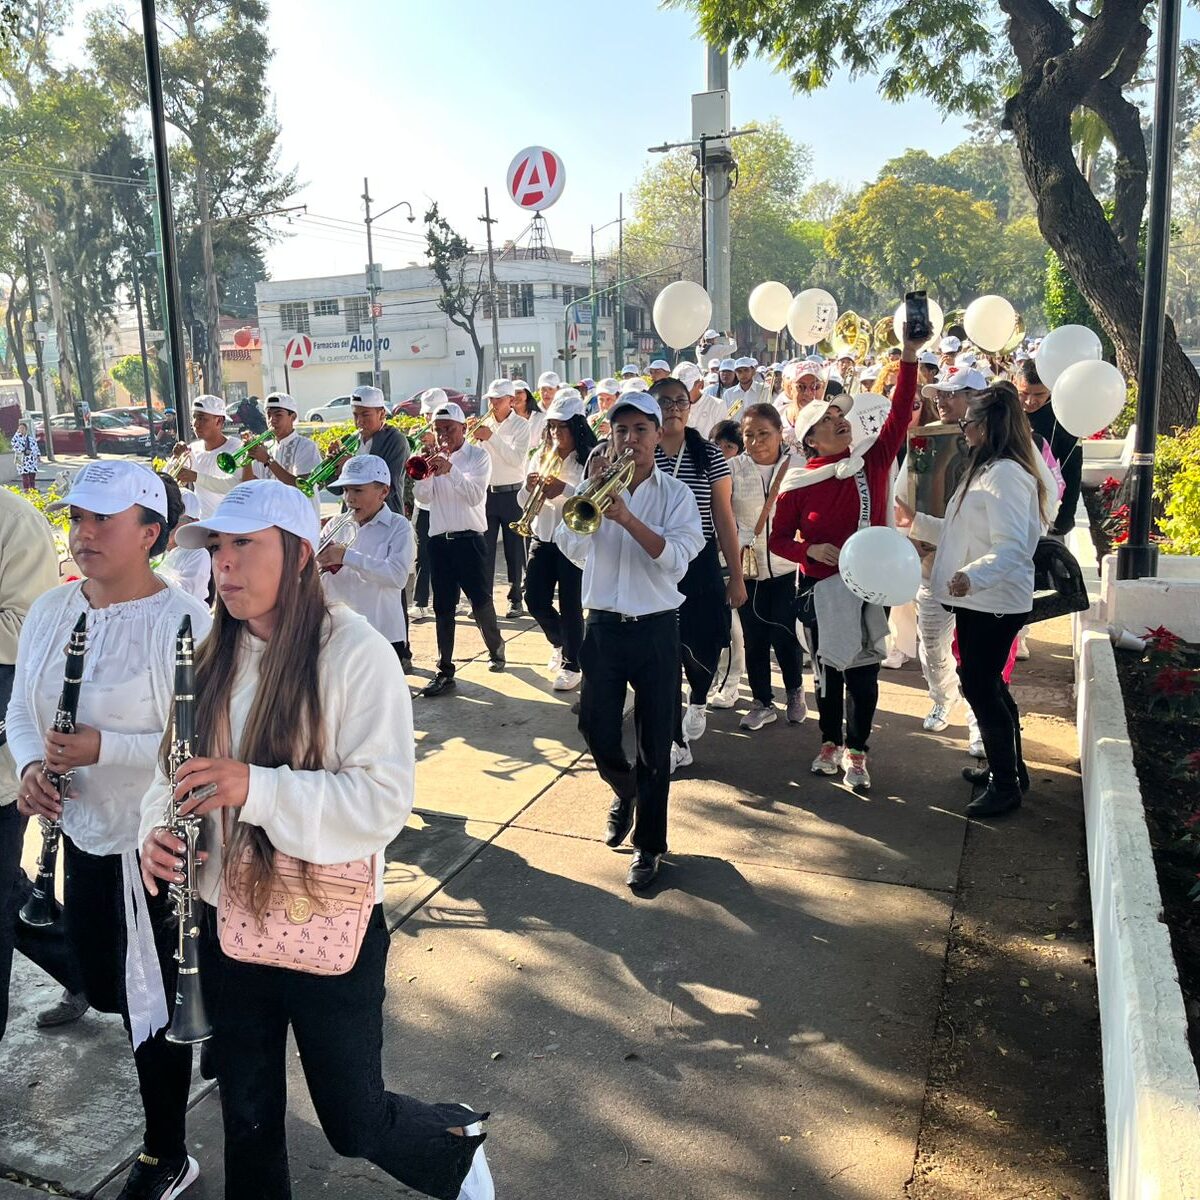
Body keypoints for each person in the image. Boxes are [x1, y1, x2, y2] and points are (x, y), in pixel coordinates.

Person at [139, 480, 493, 1200]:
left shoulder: (355, 653)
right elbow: (170, 769)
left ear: (299, 555)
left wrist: (255, 788)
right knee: (248, 1117)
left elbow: (383, 801)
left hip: (324, 924)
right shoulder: (208, 653)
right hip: (226, 924)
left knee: (352, 1124)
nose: (225, 564)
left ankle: (450, 1144)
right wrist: (156, 829)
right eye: (217, 546)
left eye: (245, 544)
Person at [8, 461, 211, 1198]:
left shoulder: (187, 619)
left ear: (150, 533)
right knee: (106, 985)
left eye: (103, 521)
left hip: (154, 846)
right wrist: (34, 767)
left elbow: (201, 741)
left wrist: (104, 748)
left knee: (149, 1006)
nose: (83, 533)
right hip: (86, 833)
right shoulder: (52, 611)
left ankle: (167, 1153)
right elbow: (25, 711)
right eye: (77, 519)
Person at [555, 391, 704, 891]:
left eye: (641, 429)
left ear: (658, 436)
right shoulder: (594, 487)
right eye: (622, 430)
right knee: (595, 730)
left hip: (658, 626)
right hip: (603, 624)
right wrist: (590, 492)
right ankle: (627, 790)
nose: (631, 439)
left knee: (656, 743)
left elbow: (677, 558)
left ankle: (649, 846)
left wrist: (629, 519)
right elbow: (571, 547)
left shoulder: (677, 495)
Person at [769, 327, 923, 792]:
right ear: (811, 438)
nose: (841, 420)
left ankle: (857, 753)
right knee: (828, 671)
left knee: (863, 673)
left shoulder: (872, 461)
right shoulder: (798, 482)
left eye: (842, 415)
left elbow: (899, 413)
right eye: (829, 418)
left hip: (869, 587)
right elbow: (777, 540)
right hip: (819, 585)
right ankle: (828, 742)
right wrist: (807, 550)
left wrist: (910, 356)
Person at [896, 384, 1046, 818]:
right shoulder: (989, 469)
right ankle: (1009, 770)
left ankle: (1006, 782)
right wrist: (918, 522)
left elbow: (1014, 545)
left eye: (968, 423)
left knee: (980, 684)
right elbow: (963, 532)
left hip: (993, 599)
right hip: (981, 598)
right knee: (987, 683)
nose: (963, 430)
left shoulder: (1005, 475)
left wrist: (971, 576)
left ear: (988, 425)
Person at [647, 375, 746, 772]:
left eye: (679, 402)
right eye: (664, 402)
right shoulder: (642, 452)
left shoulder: (708, 454)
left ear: (690, 408)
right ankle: (674, 738)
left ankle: (700, 698)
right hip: (653, 562)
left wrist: (735, 575)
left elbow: (724, 517)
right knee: (664, 651)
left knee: (703, 643)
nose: (673, 408)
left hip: (700, 559)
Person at [0, 484, 60, 1041]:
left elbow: (26, 632)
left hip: (0, 770)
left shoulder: (14, 522)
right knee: (9, 892)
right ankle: (87, 967)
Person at [411, 402, 507, 696]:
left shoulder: (478, 457)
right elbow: (423, 498)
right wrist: (427, 474)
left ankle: (495, 646)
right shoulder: (433, 459)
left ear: (463, 429)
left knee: (480, 602)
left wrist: (450, 470)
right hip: (440, 541)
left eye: (448, 430)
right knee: (442, 607)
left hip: (469, 539)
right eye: (438, 430)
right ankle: (445, 670)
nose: (443, 436)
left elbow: (475, 496)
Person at [728, 403, 807, 730]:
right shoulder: (731, 469)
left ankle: (794, 691)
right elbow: (723, 516)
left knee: (785, 634)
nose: (757, 441)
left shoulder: (798, 465)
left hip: (787, 568)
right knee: (754, 636)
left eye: (764, 434)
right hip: (749, 570)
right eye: (749, 435)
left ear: (779, 434)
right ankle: (762, 701)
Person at [519, 389, 597, 691]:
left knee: (570, 605)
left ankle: (572, 664)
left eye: (561, 427)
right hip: (543, 534)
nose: (555, 433)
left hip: (572, 541)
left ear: (576, 426)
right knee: (534, 598)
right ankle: (562, 642)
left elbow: (590, 498)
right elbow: (523, 501)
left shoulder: (589, 457)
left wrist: (564, 489)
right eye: (551, 427)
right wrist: (528, 487)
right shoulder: (541, 455)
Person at [320, 455, 416, 665]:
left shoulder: (398, 527)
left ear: (383, 492)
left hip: (381, 633)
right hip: (339, 632)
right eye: (346, 490)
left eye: (358, 490)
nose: (349, 498)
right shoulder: (335, 524)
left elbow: (397, 577)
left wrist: (346, 556)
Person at [474, 379, 531, 619]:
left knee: (514, 549)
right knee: (484, 549)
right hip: (487, 493)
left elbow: (516, 460)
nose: (494, 403)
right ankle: (484, 601)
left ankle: (515, 599)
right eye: (491, 399)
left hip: (512, 493)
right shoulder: (483, 423)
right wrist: (477, 437)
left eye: (499, 399)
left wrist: (491, 438)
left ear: (510, 400)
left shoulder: (521, 425)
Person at [1017, 358, 1080, 539]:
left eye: (1039, 395)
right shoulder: (1005, 409)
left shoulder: (1062, 417)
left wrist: (1067, 514)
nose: (1030, 401)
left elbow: (1072, 470)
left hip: (1041, 506)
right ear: (1015, 382)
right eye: (1024, 393)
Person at [242, 392, 323, 518]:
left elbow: (302, 487)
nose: (271, 420)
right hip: (271, 520)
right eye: (268, 415)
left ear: (293, 417)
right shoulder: (265, 448)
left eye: (278, 415)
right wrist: (247, 456)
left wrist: (268, 461)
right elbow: (249, 484)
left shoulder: (306, 446)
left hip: (300, 520)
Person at [410, 387, 449, 623]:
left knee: (445, 556)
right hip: (422, 504)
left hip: (444, 504)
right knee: (421, 553)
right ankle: (420, 602)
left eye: (431, 416)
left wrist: (437, 445)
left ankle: (449, 601)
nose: (427, 420)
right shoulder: (419, 436)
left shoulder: (451, 436)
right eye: (425, 415)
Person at [175, 394, 241, 519]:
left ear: (219, 421)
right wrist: (176, 458)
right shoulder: (193, 449)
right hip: (202, 524)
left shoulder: (235, 447)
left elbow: (237, 486)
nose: (196, 424)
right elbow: (171, 479)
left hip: (230, 523)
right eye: (194, 417)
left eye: (202, 419)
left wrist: (196, 477)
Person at [352, 385, 410, 514]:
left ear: (382, 414)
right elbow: (336, 489)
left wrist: (350, 467)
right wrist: (333, 468)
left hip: (386, 517)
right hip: (354, 519)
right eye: (355, 415)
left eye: (365, 415)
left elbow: (388, 488)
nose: (359, 421)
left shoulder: (396, 440)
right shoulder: (349, 440)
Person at [156, 489, 212, 603]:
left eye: (176, 520)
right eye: (167, 518)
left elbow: (185, 595)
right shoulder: (157, 550)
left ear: (193, 522)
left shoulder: (198, 554)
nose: (168, 525)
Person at [512, 377, 544, 442]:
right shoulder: (506, 419)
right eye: (512, 393)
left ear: (527, 394)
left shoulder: (541, 418)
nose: (515, 396)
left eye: (519, 392)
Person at [12, 419, 40, 490]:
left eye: (23, 428)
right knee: (24, 475)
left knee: (32, 474)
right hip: (22, 458)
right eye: (20, 428)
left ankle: (32, 488)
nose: (21, 430)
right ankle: (26, 489)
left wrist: (37, 455)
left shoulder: (31, 438)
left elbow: (35, 446)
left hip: (31, 458)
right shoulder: (17, 438)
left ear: (26, 429)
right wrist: (23, 450)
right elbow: (14, 445)